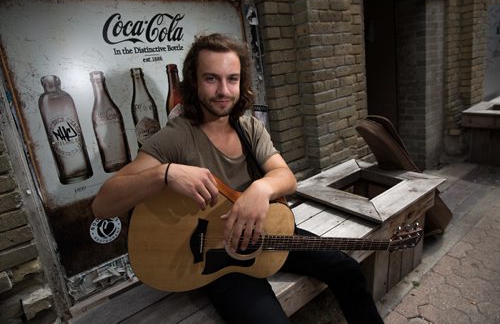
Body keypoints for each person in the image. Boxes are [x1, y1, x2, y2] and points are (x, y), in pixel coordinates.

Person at [92, 33, 383, 324]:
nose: (223, 90)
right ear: (193, 81)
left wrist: (260, 188)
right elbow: (103, 205)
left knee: (346, 268)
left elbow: (286, 177)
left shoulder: (249, 128)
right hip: (215, 257)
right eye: (211, 79)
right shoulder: (176, 137)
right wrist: (164, 174)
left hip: (265, 232)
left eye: (232, 79)